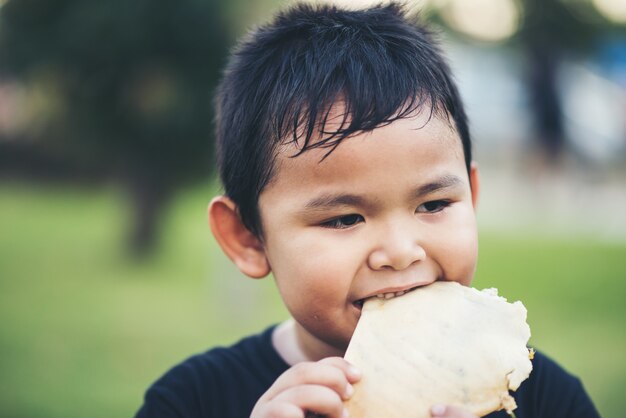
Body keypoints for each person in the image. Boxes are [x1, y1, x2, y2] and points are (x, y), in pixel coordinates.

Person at [136, 3, 599, 417]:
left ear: (471, 199)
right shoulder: (192, 400)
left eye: (434, 204)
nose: (400, 252)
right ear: (249, 239)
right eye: (343, 218)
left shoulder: (542, 398)